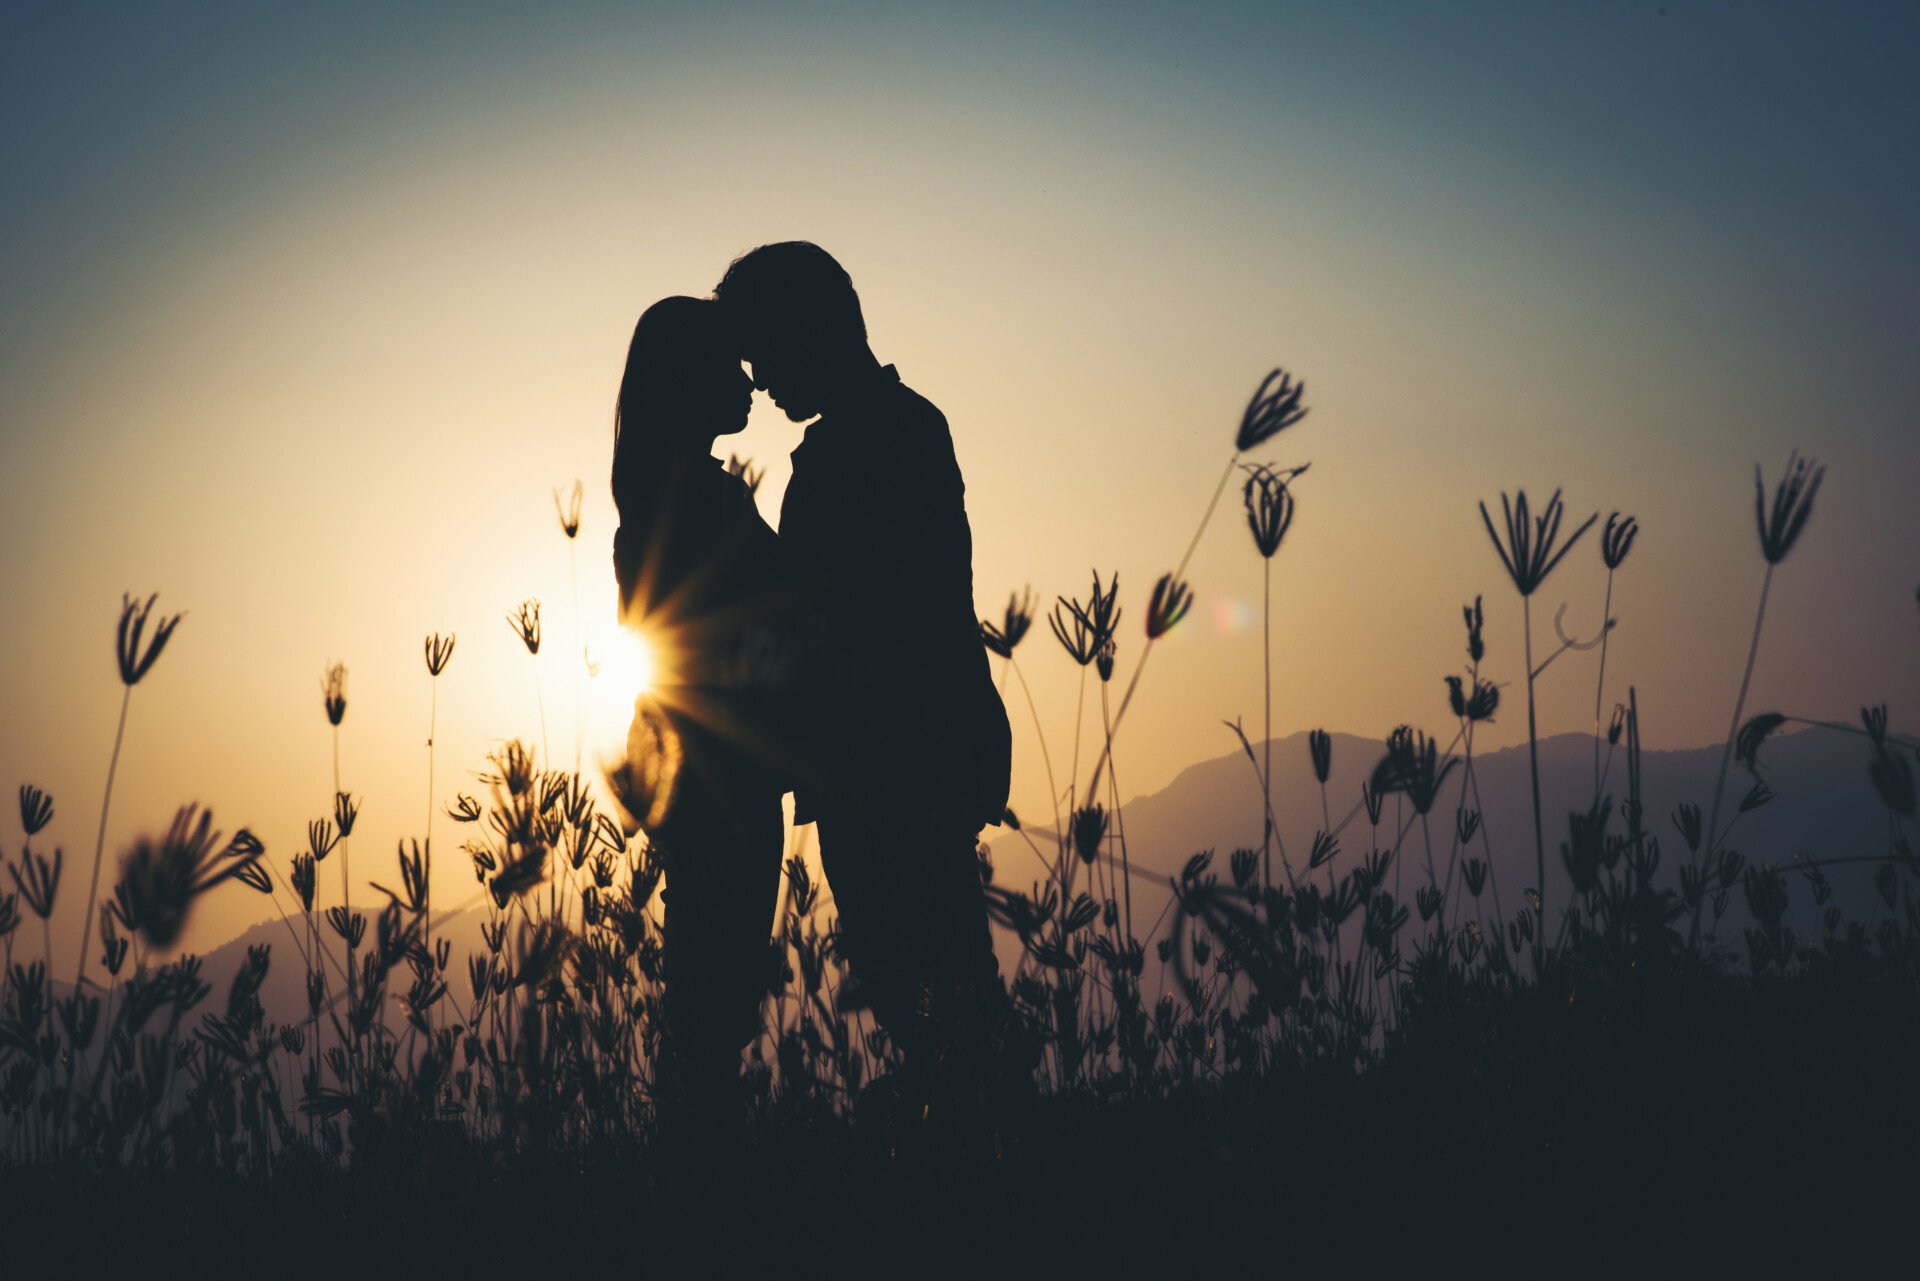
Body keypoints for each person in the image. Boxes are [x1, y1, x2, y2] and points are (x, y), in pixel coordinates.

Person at [713, 242, 1013, 1130]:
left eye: (765, 349)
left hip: (897, 764)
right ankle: (981, 1138)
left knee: (933, 985)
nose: (759, 380)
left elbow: (866, 619)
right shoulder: (893, 429)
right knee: (933, 986)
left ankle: (986, 1150)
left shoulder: (876, 444)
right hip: (905, 757)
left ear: (817, 327)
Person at [609, 295, 794, 1131]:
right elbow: (709, 643)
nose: (751, 380)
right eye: (730, 365)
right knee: (710, 1019)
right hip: (720, 784)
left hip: (709, 782)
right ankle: (705, 1189)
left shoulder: (673, 494)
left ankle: (700, 1170)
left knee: (707, 1014)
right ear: (689, 382)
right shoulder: (694, 505)